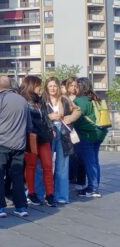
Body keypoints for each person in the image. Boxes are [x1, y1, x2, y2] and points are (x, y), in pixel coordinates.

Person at [0, 76, 31, 218]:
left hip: (1, 143)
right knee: (17, 176)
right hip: (19, 144)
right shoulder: (22, 100)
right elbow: (28, 124)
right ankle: (21, 207)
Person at [19, 75, 56, 207]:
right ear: (32, 85)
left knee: (47, 165)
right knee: (31, 165)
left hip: (44, 136)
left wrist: (51, 129)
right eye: (38, 85)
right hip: (31, 137)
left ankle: (50, 194)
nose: (40, 88)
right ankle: (31, 192)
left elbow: (46, 117)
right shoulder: (23, 100)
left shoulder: (39, 100)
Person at [44, 76, 81, 204]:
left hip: (64, 133)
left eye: (55, 86)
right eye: (50, 86)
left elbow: (77, 110)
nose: (53, 88)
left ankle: (61, 196)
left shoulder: (64, 99)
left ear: (58, 87)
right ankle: (46, 193)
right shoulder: (43, 100)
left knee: (62, 165)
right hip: (49, 133)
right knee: (46, 164)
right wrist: (50, 116)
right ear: (46, 88)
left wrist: (69, 118)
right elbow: (39, 115)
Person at [72, 77, 107, 199]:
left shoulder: (80, 101)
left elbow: (75, 119)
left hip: (86, 135)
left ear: (81, 87)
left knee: (90, 162)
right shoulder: (95, 98)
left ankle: (93, 188)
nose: (74, 88)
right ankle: (94, 185)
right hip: (100, 133)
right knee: (95, 161)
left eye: (76, 86)